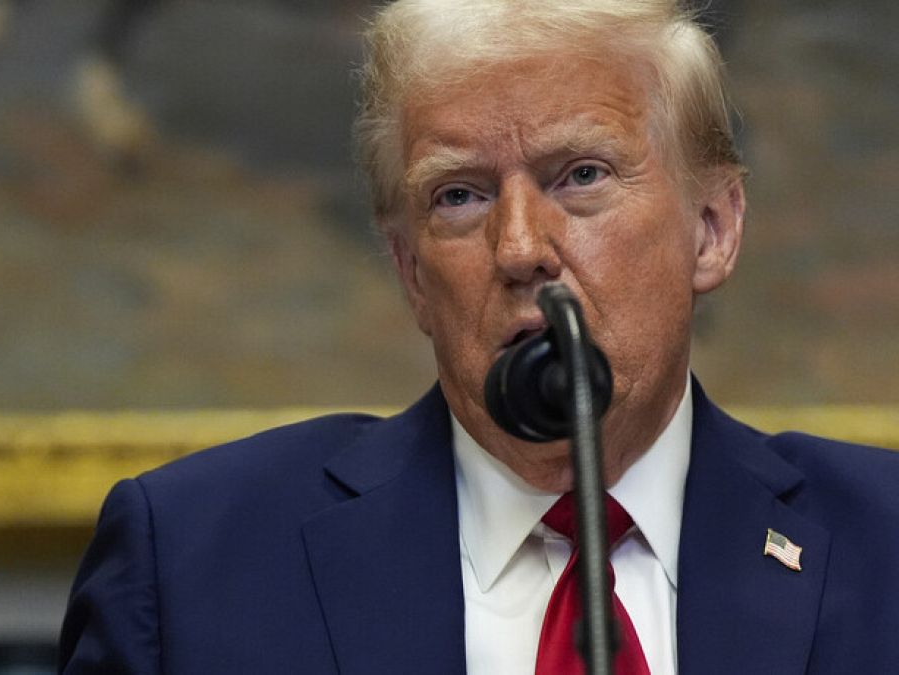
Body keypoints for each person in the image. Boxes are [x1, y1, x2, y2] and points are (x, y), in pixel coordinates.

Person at [58, 0, 899, 672]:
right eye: (459, 195)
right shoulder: (196, 564)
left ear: (712, 228)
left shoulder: (884, 543)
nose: (522, 246)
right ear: (411, 270)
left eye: (582, 176)